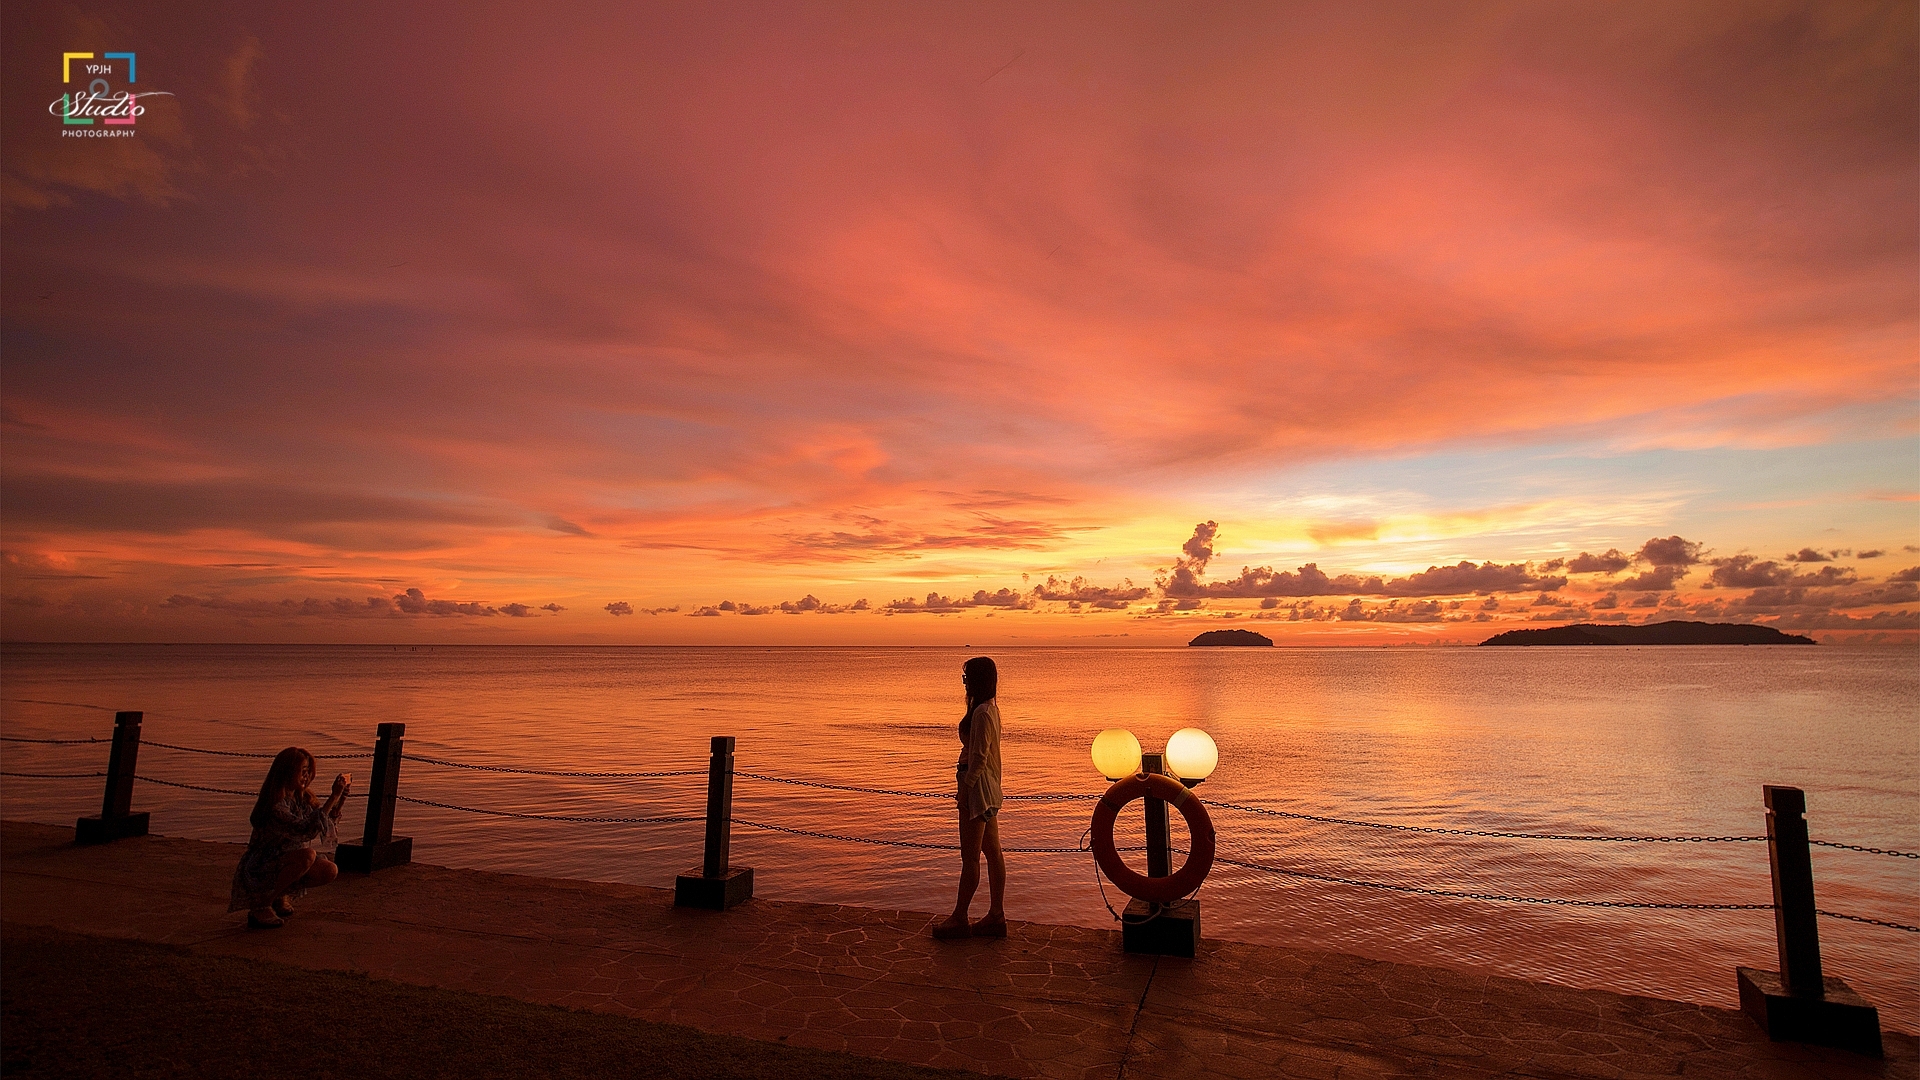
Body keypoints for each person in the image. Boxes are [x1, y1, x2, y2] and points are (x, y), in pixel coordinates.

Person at [229, 747, 351, 929]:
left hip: (287, 858)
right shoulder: (275, 805)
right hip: (261, 865)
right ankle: (261, 905)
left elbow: (322, 825)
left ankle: (279, 895)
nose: (306, 776)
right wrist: (333, 795)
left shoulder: (301, 799)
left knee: (328, 870)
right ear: (286, 771)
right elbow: (305, 830)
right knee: (307, 855)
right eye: (302, 771)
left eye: (308, 771)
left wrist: (339, 800)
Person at [933, 656, 1006, 939]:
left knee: (971, 857)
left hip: (978, 790)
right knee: (992, 853)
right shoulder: (989, 709)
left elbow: (978, 757)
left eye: (966, 677)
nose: (963, 682)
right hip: (987, 789)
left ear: (976, 680)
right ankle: (996, 915)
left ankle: (960, 917)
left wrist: (965, 791)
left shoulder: (982, 713)